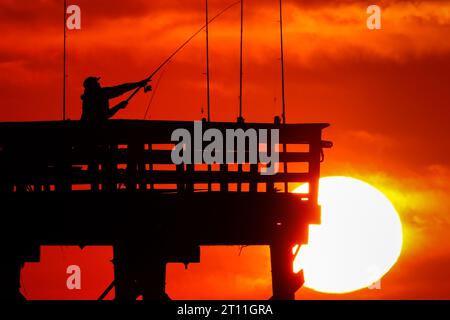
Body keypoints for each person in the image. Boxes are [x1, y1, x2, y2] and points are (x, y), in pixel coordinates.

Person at [80, 76, 150, 122]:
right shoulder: (100, 94)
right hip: (95, 132)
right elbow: (120, 89)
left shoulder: (88, 98)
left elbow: (106, 115)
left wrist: (119, 106)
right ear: (93, 86)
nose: (99, 84)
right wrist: (138, 84)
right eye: (97, 83)